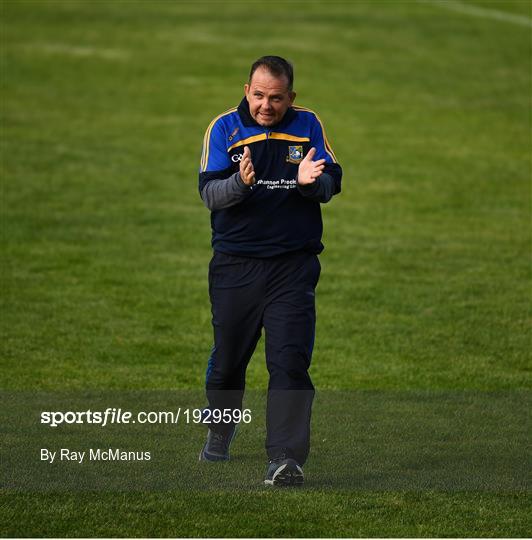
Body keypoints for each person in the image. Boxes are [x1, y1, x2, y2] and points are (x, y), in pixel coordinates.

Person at [198, 55, 342, 486]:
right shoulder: (224, 128)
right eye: (258, 95)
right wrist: (240, 184)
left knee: (290, 363)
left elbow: (331, 181)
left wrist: (310, 183)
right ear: (247, 90)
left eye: (276, 98)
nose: (266, 105)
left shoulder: (309, 123)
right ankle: (220, 430)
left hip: (293, 267)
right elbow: (210, 194)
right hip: (236, 265)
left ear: (290, 97)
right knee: (227, 362)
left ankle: (285, 459)